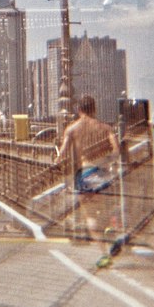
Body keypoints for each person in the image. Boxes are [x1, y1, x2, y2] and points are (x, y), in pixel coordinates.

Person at [56, 95, 120, 240]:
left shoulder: (72, 129)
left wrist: (58, 161)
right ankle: (110, 228)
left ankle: (105, 254)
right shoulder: (106, 128)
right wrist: (106, 161)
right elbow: (116, 151)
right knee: (106, 206)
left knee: (90, 215)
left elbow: (62, 154)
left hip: (85, 174)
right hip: (104, 173)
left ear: (79, 110)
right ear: (94, 109)